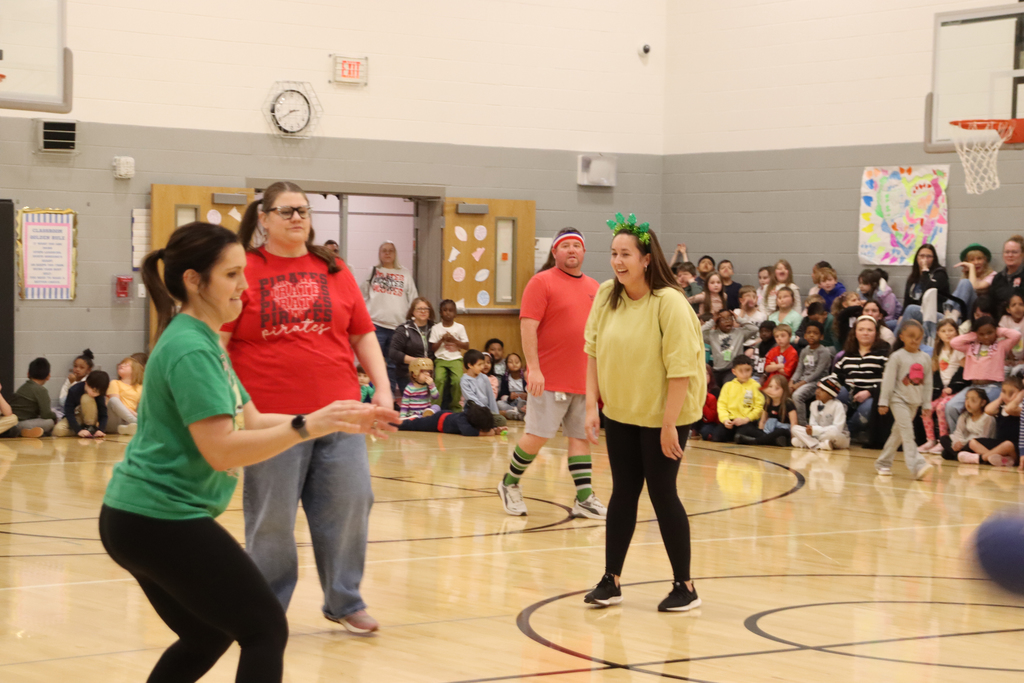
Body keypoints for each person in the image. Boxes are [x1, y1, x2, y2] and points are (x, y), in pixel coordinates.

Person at [101, 222, 394, 683]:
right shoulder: (189, 349)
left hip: (140, 521)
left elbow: (252, 420)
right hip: (157, 520)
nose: (245, 285)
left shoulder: (205, 342)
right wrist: (307, 426)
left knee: (208, 634)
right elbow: (222, 451)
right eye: (232, 275)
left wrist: (336, 417)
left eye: (244, 273)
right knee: (265, 629)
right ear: (194, 281)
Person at [226, 181, 394, 635]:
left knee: (352, 501)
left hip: (341, 412)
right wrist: (234, 406)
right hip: (274, 421)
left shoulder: (333, 268)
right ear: (263, 219)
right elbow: (219, 343)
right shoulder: (243, 269)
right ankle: (266, 608)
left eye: (302, 210)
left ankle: (345, 599)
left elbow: (361, 333)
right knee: (272, 519)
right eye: (286, 211)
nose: (297, 218)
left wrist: (382, 388)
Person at [583, 214, 705, 612]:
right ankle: (611, 579)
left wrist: (669, 425)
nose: (618, 262)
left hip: (665, 415)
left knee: (662, 492)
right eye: (614, 254)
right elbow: (593, 351)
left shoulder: (669, 303)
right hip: (622, 411)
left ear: (646, 258)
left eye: (626, 254)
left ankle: (685, 586)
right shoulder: (606, 294)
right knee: (623, 493)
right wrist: (591, 406)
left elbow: (682, 369)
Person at [497, 228, 607, 520]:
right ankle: (509, 483)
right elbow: (527, 327)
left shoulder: (595, 287)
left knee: (580, 437)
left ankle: (584, 498)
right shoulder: (541, 282)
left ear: (584, 252)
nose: (572, 250)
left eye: (577, 246)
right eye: (565, 246)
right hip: (549, 378)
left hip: (583, 379)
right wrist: (533, 369)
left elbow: (597, 335)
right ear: (555, 252)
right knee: (537, 436)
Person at [875, 320, 933, 479]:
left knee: (897, 435)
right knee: (908, 433)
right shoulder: (896, 357)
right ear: (902, 337)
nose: (914, 340)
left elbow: (928, 383)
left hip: (914, 402)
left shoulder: (925, 358)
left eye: (918, 337)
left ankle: (883, 463)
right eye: (911, 336)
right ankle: (917, 465)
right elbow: (888, 381)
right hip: (898, 400)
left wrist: (926, 403)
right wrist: (883, 401)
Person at [363, 240, 419, 396]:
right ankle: (373, 397)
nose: (387, 253)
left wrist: (412, 324)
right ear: (379, 254)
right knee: (374, 364)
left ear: (395, 254)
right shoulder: (373, 271)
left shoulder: (405, 273)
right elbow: (362, 295)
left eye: (391, 250)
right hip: (376, 326)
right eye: (384, 250)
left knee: (393, 365)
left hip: (398, 327)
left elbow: (413, 298)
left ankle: (390, 398)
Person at [945, 317, 1021, 428]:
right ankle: (957, 438)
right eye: (982, 334)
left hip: (993, 386)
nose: (986, 337)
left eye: (989, 333)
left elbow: (1016, 335)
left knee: (980, 407)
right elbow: (954, 342)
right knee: (951, 407)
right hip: (973, 387)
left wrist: (998, 330)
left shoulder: (1001, 346)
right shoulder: (970, 347)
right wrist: (975, 335)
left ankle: (981, 440)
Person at [834, 315, 890, 442]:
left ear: (876, 333)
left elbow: (888, 380)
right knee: (838, 391)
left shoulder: (884, 352)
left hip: (872, 396)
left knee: (868, 408)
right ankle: (838, 431)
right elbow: (835, 376)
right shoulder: (847, 354)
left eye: (869, 330)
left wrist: (870, 392)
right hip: (849, 395)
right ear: (855, 333)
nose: (865, 333)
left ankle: (845, 432)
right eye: (861, 329)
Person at [920, 319, 967, 453]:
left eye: (951, 330)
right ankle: (930, 440)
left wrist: (952, 387)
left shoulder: (959, 350)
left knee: (941, 408)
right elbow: (935, 372)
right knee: (926, 409)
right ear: (938, 334)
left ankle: (943, 440)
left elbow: (962, 372)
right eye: (943, 331)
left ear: (957, 332)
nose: (948, 334)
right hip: (942, 390)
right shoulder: (938, 350)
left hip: (955, 390)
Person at [958, 376, 1024, 466]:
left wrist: (1020, 396)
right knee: (973, 442)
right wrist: (1001, 398)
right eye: (1004, 392)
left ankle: (981, 458)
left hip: (1014, 447)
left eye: (1011, 393)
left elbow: (1009, 409)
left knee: (1007, 444)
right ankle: (999, 459)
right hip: (999, 445)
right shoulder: (1001, 408)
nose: (1006, 396)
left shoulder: (1020, 409)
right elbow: (988, 410)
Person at [388, 297, 436, 398]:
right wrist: (416, 362)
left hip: (431, 373)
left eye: (426, 309)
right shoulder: (404, 329)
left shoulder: (436, 328)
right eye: (419, 309)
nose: (423, 311)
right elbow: (393, 352)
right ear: (413, 312)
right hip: (408, 374)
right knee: (414, 405)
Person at [901, 243, 950, 339]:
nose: (925, 259)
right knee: (891, 323)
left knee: (911, 309)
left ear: (934, 259)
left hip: (935, 313)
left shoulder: (940, 274)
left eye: (929, 256)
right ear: (917, 258)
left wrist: (925, 271)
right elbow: (907, 300)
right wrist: (901, 316)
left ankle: (897, 345)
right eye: (922, 256)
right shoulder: (913, 278)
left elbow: (929, 291)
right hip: (916, 314)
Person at [713, 356, 764, 442]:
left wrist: (746, 419)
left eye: (748, 370)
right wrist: (725, 420)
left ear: (752, 370)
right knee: (716, 436)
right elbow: (722, 405)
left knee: (743, 433)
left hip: (747, 421)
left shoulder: (755, 386)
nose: (744, 374)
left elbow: (759, 407)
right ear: (734, 371)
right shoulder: (728, 386)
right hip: (731, 421)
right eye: (741, 371)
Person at [735, 374, 796, 447]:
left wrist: (792, 440)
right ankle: (772, 441)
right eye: (770, 387)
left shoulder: (788, 403)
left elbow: (794, 423)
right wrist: (761, 432)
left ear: (784, 390)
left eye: (776, 388)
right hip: (769, 431)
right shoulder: (768, 403)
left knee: (781, 431)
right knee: (745, 429)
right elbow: (762, 421)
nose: (772, 390)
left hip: (783, 430)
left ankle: (755, 441)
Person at [791, 375, 850, 450]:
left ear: (830, 396)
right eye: (818, 388)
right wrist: (811, 430)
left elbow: (837, 429)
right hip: (818, 434)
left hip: (837, 436)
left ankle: (811, 443)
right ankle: (819, 445)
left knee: (833, 434)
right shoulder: (813, 404)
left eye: (822, 390)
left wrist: (816, 430)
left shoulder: (838, 406)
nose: (817, 391)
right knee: (795, 429)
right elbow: (813, 424)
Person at [702, 309, 758, 389]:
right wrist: (712, 321)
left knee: (728, 387)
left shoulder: (740, 333)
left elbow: (754, 328)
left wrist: (739, 319)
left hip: (732, 370)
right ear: (717, 322)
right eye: (722, 319)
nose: (727, 321)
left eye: (729, 318)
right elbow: (699, 332)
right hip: (717, 370)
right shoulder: (712, 335)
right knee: (713, 390)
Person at [790, 322, 833, 425]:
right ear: (804, 336)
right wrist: (791, 382)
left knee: (797, 395)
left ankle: (803, 425)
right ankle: (789, 424)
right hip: (803, 381)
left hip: (818, 382)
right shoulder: (805, 350)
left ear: (821, 336)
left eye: (815, 333)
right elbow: (799, 369)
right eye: (809, 333)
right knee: (785, 391)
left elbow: (817, 373)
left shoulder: (824, 352)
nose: (811, 335)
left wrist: (799, 384)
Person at [430, 299, 469, 411]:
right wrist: (442, 339)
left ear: (455, 313)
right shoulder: (436, 328)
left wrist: (454, 340)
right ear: (440, 313)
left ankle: (455, 406)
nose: (448, 313)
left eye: (451, 310)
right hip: (441, 359)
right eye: (445, 310)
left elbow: (466, 346)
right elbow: (432, 348)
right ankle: (435, 406)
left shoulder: (459, 328)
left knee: (457, 380)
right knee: (439, 380)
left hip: (455, 359)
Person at [939, 387, 995, 461]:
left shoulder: (987, 418)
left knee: (947, 453)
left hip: (978, 445)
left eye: (973, 400)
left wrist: (963, 443)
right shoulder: (964, 416)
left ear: (983, 403)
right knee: (943, 439)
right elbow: (958, 432)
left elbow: (984, 437)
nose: (968, 402)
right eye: (966, 399)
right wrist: (957, 443)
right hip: (965, 444)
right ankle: (962, 456)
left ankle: (959, 456)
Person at [5, 358, 56, 438]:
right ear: (48, 376)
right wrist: (55, 417)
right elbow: (46, 414)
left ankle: (27, 432)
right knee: (50, 422)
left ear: (28, 374)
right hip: (19, 425)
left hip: (9, 423)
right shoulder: (41, 390)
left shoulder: (23, 387)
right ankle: (24, 432)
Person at [52, 371, 110, 437]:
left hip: (93, 418)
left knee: (87, 397)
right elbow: (69, 413)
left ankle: (90, 428)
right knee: (58, 430)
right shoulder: (74, 390)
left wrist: (101, 430)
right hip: (78, 416)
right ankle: (85, 432)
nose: (95, 394)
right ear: (86, 383)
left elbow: (103, 414)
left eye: (98, 393)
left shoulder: (99, 395)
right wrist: (78, 430)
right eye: (93, 390)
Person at [397, 401, 499, 436]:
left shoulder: (473, 417)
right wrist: (486, 433)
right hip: (437, 421)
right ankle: (392, 423)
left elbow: (484, 422)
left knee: (418, 422)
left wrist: (495, 429)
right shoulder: (462, 419)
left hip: (446, 415)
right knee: (414, 425)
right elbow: (467, 432)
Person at [952, 243, 995, 316]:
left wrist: (971, 267)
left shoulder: (992, 275)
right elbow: (959, 294)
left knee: (965, 282)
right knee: (934, 316)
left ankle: (954, 314)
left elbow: (973, 286)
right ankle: (949, 312)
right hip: (963, 312)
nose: (976, 262)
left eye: (979, 258)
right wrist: (966, 274)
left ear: (985, 260)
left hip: (978, 313)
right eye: (972, 260)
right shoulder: (966, 277)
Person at [107, 356, 145, 436]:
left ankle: (127, 428)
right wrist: (135, 416)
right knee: (113, 400)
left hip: (128, 420)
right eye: (121, 364)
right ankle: (137, 423)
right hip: (115, 419)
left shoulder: (140, 388)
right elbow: (115, 403)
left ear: (135, 370)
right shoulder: (115, 383)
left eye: (126, 364)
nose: (121, 365)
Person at [991, 235, 1024, 310]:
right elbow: (991, 303)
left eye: (1014, 252)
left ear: (1022, 254)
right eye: (1007, 252)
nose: (1010, 255)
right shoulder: (998, 278)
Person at [498, 353, 528, 420]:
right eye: (510, 362)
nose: (514, 364)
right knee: (499, 403)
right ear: (506, 365)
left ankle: (514, 413)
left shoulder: (525, 376)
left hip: (523, 403)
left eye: (517, 362)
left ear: (521, 363)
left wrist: (526, 396)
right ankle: (516, 412)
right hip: (511, 403)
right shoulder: (505, 378)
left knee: (522, 403)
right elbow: (502, 395)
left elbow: (532, 393)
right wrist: (509, 397)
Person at [1000, 293, 1024, 376]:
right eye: (1014, 305)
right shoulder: (1005, 320)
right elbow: (1002, 340)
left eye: (1021, 304)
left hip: (1022, 361)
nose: (1018, 307)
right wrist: (1008, 357)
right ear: (1008, 309)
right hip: (1008, 359)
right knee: (1003, 370)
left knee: (1016, 371)